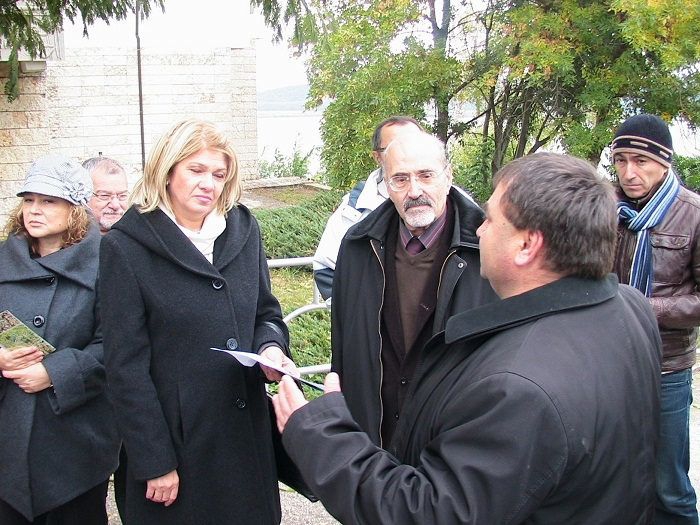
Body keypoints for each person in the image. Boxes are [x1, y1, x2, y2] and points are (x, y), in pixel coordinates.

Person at [273, 152, 662, 524]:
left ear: (527, 245)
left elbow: (425, 513)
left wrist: (321, 435)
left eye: (490, 220)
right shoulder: (630, 308)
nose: (478, 230)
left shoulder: (515, 388)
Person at [99, 119, 295, 524]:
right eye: (197, 170)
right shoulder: (125, 246)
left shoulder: (244, 230)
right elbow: (125, 367)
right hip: (178, 447)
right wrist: (154, 460)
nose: (209, 184)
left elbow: (266, 312)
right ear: (168, 171)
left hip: (244, 438)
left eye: (219, 175)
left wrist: (271, 348)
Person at [330, 131, 497, 448]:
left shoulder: (488, 248)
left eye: (426, 175)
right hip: (373, 443)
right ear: (385, 185)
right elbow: (343, 351)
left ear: (448, 177)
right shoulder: (357, 248)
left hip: (457, 444)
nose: (414, 190)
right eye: (400, 179)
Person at [0, 154, 119, 524]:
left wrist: (56, 373)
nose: (35, 210)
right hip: (7, 439)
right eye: (29, 200)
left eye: (49, 201)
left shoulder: (109, 264)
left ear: (75, 209)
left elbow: (118, 344)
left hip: (76, 443)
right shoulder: (2, 261)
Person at [611, 113, 700, 524]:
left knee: (669, 488)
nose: (629, 172)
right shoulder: (603, 208)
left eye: (641, 161)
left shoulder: (693, 215)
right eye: (621, 160)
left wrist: (647, 308)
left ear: (664, 162)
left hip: (666, 369)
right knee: (615, 477)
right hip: (607, 362)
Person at [312, 115, 424, 299]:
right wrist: (357, 313)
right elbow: (326, 268)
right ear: (377, 157)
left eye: (414, 144)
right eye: (394, 148)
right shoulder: (355, 209)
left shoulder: (453, 200)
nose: (406, 153)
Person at [84, 156, 129, 234]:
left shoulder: (142, 237)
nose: (115, 205)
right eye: (104, 196)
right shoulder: (67, 239)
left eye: (122, 196)